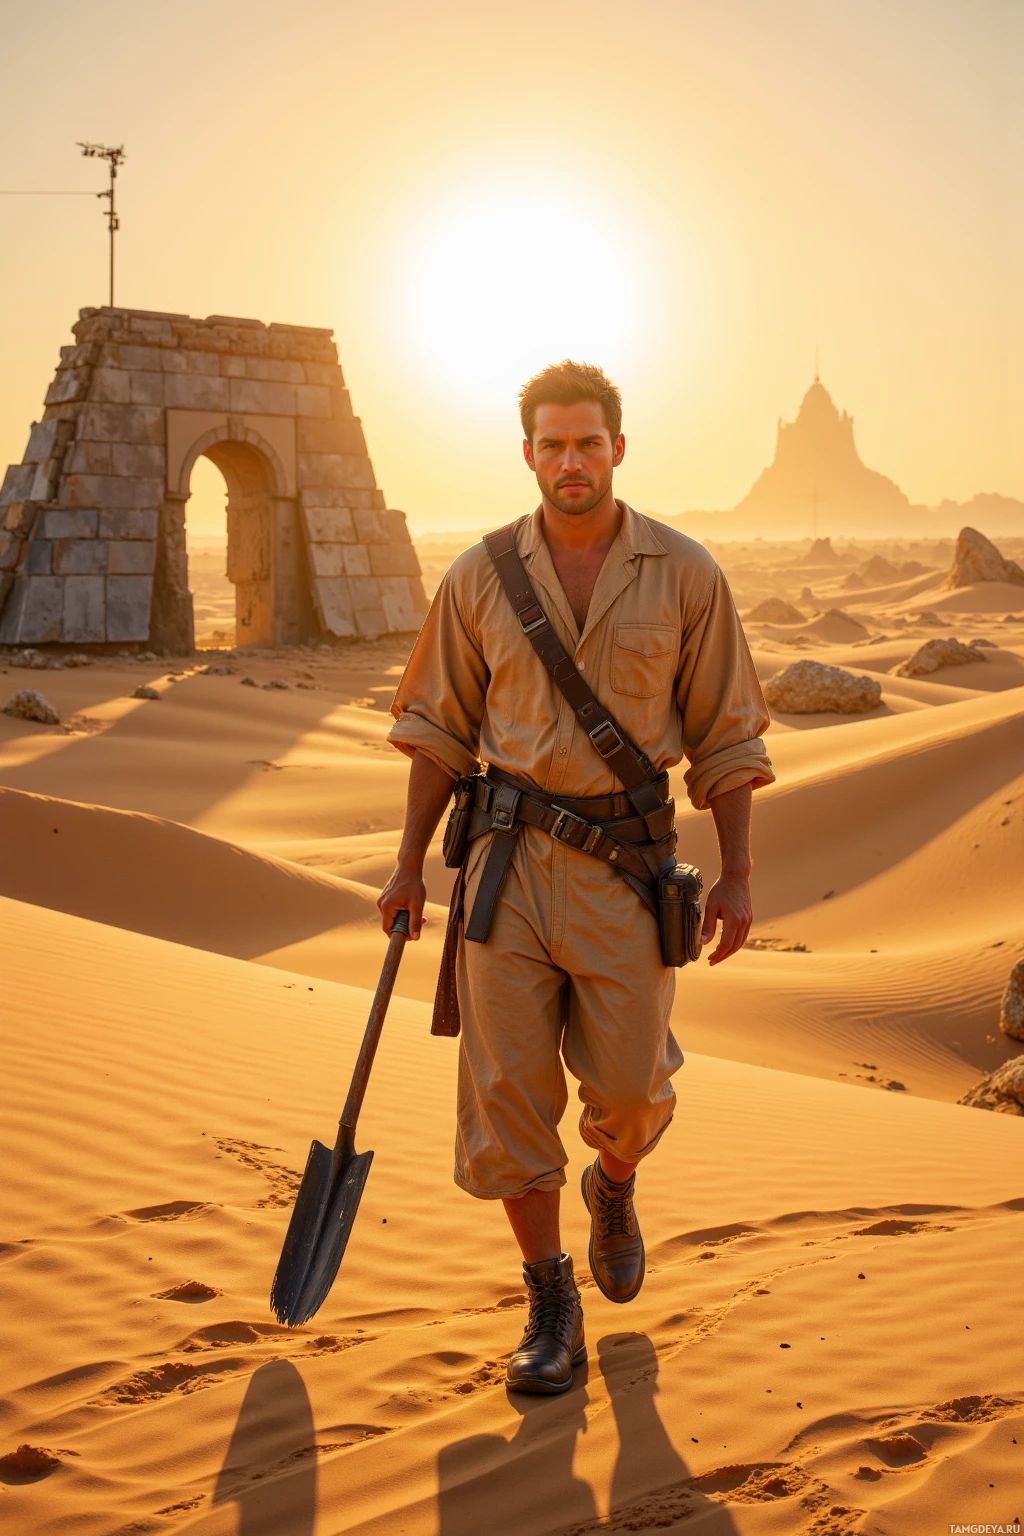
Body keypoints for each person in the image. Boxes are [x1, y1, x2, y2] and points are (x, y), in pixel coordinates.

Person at [378, 360, 773, 1394]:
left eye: (585, 442)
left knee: (634, 1094)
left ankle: (614, 1182)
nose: (568, 462)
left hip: (627, 876)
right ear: (527, 456)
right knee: (507, 1098)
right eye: (549, 445)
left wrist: (736, 875)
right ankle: (549, 1297)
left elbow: (727, 734)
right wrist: (406, 866)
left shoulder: (686, 574)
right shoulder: (477, 577)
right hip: (504, 871)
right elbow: (436, 734)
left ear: (617, 450)